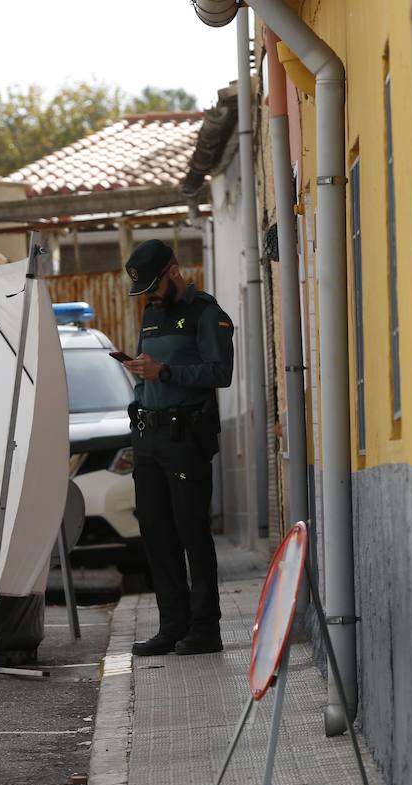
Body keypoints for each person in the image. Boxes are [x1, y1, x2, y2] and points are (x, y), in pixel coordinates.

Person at [120, 239, 234, 656]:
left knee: (192, 533)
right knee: (156, 532)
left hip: (185, 436)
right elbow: (144, 367)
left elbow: (220, 372)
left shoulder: (206, 313)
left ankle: (205, 629)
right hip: (148, 436)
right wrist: (140, 384)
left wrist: (164, 371)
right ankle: (173, 626)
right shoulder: (151, 314)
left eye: (153, 285)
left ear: (173, 271)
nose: (149, 296)